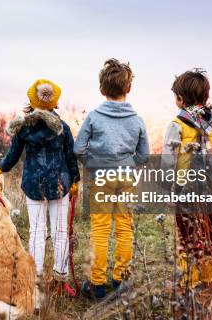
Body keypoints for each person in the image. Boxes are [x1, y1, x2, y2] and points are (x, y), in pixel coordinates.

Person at [0, 79, 80, 293]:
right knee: (61, 231)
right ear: (54, 102)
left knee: (36, 232)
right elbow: (71, 157)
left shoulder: (23, 128)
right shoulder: (64, 129)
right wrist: (76, 181)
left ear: (31, 101)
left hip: (34, 185)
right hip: (60, 183)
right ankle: (61, 280)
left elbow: (12, 156)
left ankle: (35, 280)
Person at [74, 59, 149, 299]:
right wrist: (128, 165)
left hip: (100, 177)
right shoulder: (137, 119)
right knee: (125, 227)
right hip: (126, 177)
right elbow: (144, 155)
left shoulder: (94, 117)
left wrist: (93, 164)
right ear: (128, 89)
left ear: (102, 90)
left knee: (100, 229)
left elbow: (78, 149)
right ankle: (120, 282)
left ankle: (97, 285)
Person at [161, 68, 212, 289]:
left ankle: (190, 279)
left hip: (185, 190)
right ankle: (209, 276)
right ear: (205, 97)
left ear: (180, 99)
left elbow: (168, 160)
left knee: (188, 233)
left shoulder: (176, 125)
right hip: (211, 189)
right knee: (210, 231)